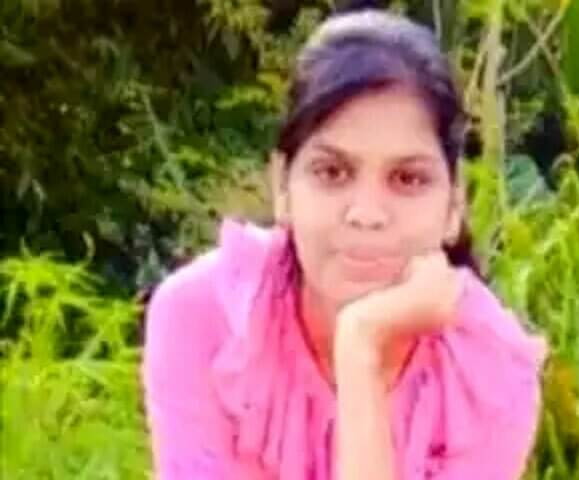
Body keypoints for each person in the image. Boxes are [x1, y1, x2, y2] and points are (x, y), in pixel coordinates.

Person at [141, 8, 547, 480]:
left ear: (454, 204)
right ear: (282, 187)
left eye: (408, 179)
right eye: (333, 173)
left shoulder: (489, 377)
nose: (366, 213)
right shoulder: (203, 316)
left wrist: (360, 348)